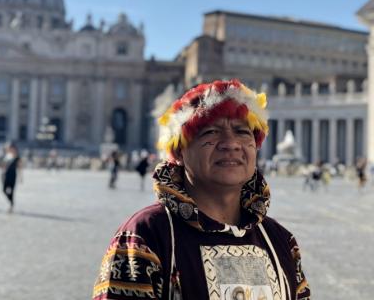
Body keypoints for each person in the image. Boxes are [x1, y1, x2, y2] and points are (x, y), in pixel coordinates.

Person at [92, 79, 310, 300]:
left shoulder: (281, 241)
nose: (230, 143)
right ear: (179, 151)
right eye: (210, 132)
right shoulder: (144, 237)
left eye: (242, 132)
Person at [1, 142, 22, 213]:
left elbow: (20, 167)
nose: (10, 149)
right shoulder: (7, 156)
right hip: (6, 175)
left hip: (13, 175)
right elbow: (3, 165)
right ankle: (11, 202)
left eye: (10, 148)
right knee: (4, 190)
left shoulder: (17, 157)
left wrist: (21, 177)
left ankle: (11, 205)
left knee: (12, 191)